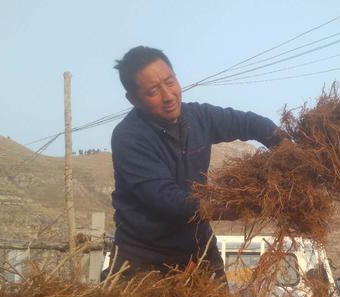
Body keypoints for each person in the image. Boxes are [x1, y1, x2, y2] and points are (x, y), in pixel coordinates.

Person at [105, 46, 283, 282]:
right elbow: (166, 199)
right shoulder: (129, 137)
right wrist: (226, 208)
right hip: (145, 258)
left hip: (198, 249)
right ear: (134, 99)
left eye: (170, 81)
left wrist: (285, 147)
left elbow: (249, 123)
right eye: (153, 91)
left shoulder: (198, 117)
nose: (168, 96)